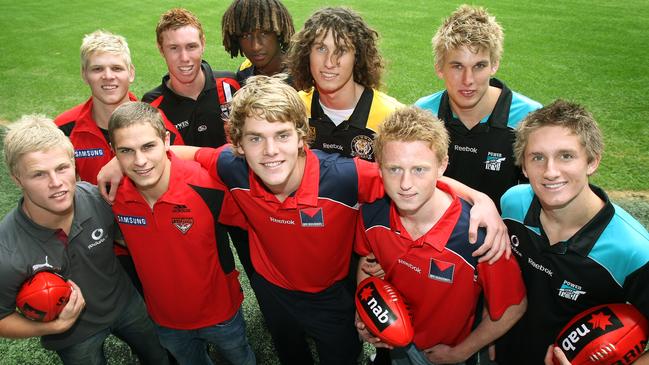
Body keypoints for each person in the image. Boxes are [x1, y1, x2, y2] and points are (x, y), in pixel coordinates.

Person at [97, 75, 508, 365]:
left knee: (340, 356)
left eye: (281, 136)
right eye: (255, 138)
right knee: (290, 354)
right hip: (271, 290)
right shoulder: (233, 167)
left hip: (330, 295)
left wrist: (479, 198)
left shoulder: (345, 176)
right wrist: (120, 162)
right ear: (237, 143)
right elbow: (185, 153)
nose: (270, 151)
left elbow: (411, 173)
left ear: (301, 135)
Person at [355, 106, 527, 365]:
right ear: (378, 168)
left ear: (442, 165)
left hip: (444, 353)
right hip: (392, 340)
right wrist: (366, 311)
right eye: (394, 169)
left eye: (419, 169)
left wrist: (461, 352)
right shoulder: (372, 214)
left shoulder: (479, 238)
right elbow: (367, 265)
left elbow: (514, 306)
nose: (405, 184)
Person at [0, 115, 168, 365]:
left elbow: (131, 239)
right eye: (38, 175)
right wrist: (55, 327)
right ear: (17, 179)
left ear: (73, 164)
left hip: (126, 305)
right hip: (72, 335)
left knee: (159, 358)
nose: (56, 183)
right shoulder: (7, 251)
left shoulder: (97, 199)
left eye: (62, 168)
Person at [495, 100, 649, 364]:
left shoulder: (633, 251)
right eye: (537, 157)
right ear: (523, 166)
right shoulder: (513, 204)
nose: (550, 172)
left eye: (566, 156)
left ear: (592, 161)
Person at [107, 102, 255, 365]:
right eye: (126, 151)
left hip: (222, 313)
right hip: (165, 320)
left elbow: (253, 222)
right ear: (113, 153)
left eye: (148, 146)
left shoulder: (207, 184)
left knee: (240, 359)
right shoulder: (111, 197)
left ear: (166, 140)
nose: (139, 161)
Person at [54, 29, 184, 294]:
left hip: (156, 241)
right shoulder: (64, 129)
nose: (108, 76)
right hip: (97, 248)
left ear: (131, 73)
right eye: (97, 69)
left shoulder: (158, 121)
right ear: (84, 74)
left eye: (116, 67)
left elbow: (183, 178)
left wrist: (120, 161)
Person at [415, 5, 542, 210]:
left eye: (479, 66)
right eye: (457, 66)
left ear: (495, 64)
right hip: (438, 236)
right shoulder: (423, 115)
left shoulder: (530, 118)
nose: (468, 80)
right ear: (439, 67)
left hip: (504, 238)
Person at [287, 7, 402, 161]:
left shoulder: (392, 117)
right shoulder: (292, 109)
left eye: (341, 50)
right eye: (321, 48)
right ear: (307, 54)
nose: (329, 62)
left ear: (357, 56)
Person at [143, 8, 240, 148]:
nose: (184, 58)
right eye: (174, 48)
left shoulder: (230, 84)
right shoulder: (152, 106)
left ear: (203, 44)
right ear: (161, 49)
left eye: (191, 46)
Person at [221, 0, 295, 85]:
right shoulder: (244, 74)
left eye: (264, 33)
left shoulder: (303, 76)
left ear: (280, 31)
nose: (256, 47)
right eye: (245, 36)